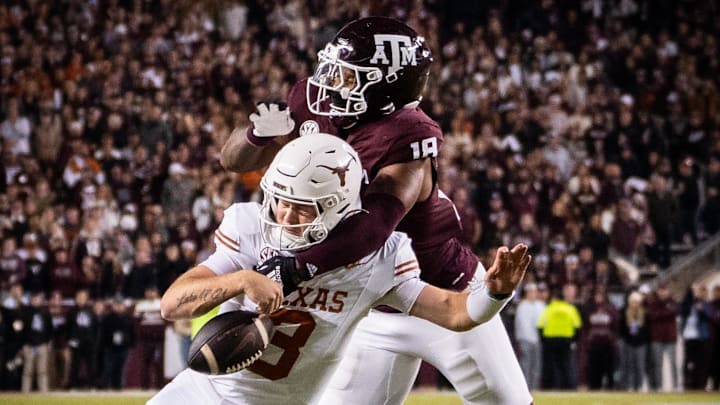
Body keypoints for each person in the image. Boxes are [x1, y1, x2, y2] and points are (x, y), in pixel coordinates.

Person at [220, 16, 531, 404]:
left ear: (388, 87)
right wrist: (255, 135)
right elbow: (232, 161)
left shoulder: (410, 135)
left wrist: (295, 268)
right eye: (334, 70)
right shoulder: (312, 102)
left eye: (350, 77)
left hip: (444, 293)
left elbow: (374, 229)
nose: (332, 84)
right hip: (371, 303)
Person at [148, 134, 530, 405]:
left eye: (301, 206)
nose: (285, 214)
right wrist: (241, 279)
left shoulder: (378, 258)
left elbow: (455, 313)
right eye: (280, 199)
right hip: (200, 393)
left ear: (336, 207)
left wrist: (495, 293)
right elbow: (173, 305)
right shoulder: (249, 229)